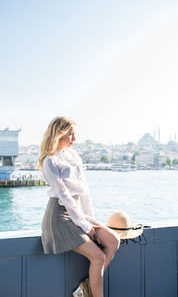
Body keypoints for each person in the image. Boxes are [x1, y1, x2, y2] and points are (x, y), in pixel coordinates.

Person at [39, 116, 120, 297]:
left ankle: (86, 287)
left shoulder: (74, 156)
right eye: (70, 134)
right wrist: (86, 226)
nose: (74, 139)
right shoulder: (50, 161)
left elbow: (84, 191)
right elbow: (64, 196)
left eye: (74, 134)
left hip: (75, 213)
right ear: (58, 135)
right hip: (59, 217)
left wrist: (92, 219)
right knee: (98, 257)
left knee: (113, 241)